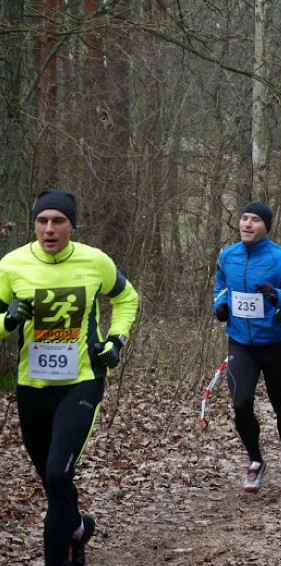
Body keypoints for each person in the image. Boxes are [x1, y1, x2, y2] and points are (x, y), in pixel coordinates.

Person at [0, 189, 139, 566]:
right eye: (42, 221)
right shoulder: (11, 266)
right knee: (51, 481)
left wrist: (116, 339)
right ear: (34, 224)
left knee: (59, 475)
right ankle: (78, 527)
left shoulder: (95, 262)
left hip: (81, 382)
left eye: (58, 221)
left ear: (72, 226)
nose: (49, 229)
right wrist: (9, 319)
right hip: (32, 387)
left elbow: (127, 298)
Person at [213, 201, 281, 493]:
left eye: (255, 220)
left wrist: (278, 296)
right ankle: (256, 460)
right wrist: (220, 304)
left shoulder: (280, 259)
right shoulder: (227, 256)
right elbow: (220, 285)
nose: (247, 224)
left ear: (266, 226)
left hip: (274, 345)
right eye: (244, 218)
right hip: (240, 344)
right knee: (241, 404)